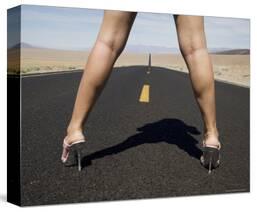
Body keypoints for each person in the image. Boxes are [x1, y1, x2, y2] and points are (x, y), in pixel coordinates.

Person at [61, 11, 221, 173]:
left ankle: (75, 130)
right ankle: (211, 136)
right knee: (196, 48)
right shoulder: (184, 127)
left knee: (108, 43)